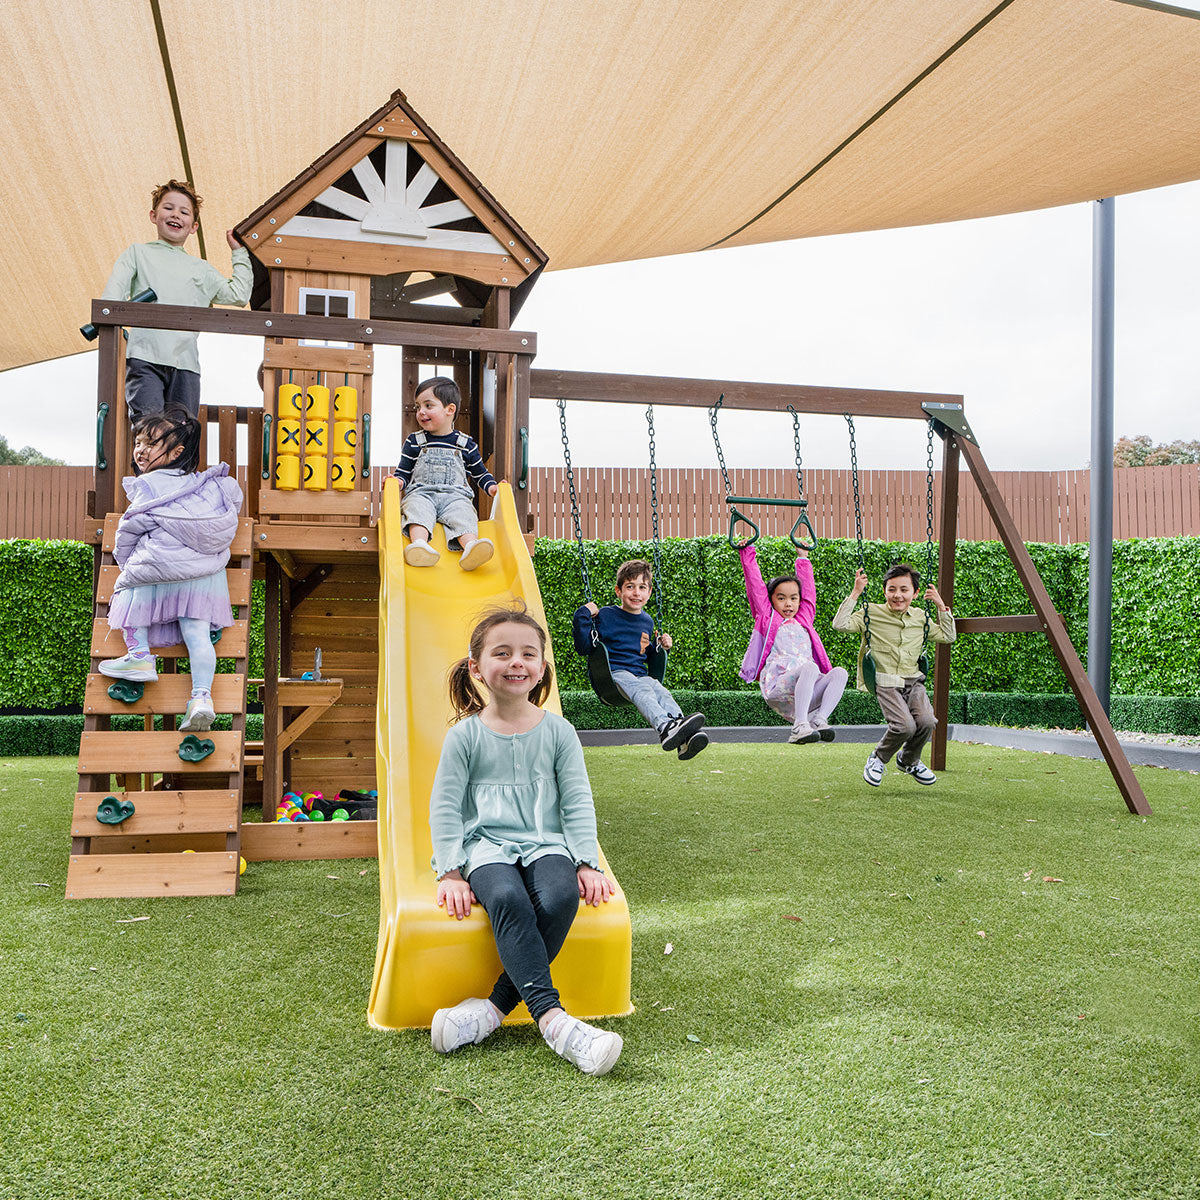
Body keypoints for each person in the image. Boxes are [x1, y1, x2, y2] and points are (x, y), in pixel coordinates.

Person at [429, 606, 623, 1076]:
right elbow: (445, 806)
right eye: (502, 653)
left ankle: (492, 1009)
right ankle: (556, 1023)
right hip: (484, 845)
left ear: (541, 667)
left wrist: (585, 861)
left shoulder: (559, 732)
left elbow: (577, 801)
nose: (516, 662)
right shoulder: (465, 737)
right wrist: (451, 870)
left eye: (527, 654)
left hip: (545, 841)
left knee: (558, 899)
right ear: (476, 667)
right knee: (508, 898)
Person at [99, 407, 242, 733]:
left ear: (177, 452)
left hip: (158, 574)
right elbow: (228, 509)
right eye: (139, 442)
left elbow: (129, 529)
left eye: (151, 444)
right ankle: (202, 698)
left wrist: (127, 563)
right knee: (198, 635)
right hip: (204, 579)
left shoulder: (146, 484)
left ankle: (139, 655)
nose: (140, 450)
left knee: (127, 593)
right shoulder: (206, 488)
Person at [102, 179, 252, 422]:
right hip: (144, 357)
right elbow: (112, 297)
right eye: (168, 208)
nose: (175, 215)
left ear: (193, 226)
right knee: (150, 428)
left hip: (185, 364)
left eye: (184, 212)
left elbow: (238, 295)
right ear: (153, 215)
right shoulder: (138, 253)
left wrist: (238, 252)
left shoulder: (201, 269)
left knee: (181, 435)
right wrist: (112, 320)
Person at [832, 563, 955, 787]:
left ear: (915, 593)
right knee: (904, 726)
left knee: (927, 721)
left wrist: (940, 606)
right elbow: (840, 625)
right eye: (891, 589)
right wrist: (856, 592)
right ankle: (877, 759)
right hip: (885, 680)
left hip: (913, 680)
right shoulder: (871, 612)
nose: (897, 595)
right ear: (885, 591)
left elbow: (947, 636)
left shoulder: (920, 617)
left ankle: (908, 760)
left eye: (904, 590)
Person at [572, 559, 708, 760]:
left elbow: (646, 653)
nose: (636, 593)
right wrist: (582, 614)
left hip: (638, 675)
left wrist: (661, 646)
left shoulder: (647, 621)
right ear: (619, 591)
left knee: (659, 690)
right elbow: (583, 647)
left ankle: (683, 734)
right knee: (643, 688)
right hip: (613, 676)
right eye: (630, 587)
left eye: (642, 587)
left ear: (649, 592)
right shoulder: (605, 615)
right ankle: (664, 727)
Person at [738, 543, 848, 744]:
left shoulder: (804, 619)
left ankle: (819, 720)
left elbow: (809, 594)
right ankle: (799, 725)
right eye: (781, 598)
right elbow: (755, 587)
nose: (788, 603)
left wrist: (803, 558)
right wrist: (746, 552)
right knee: (810, 667)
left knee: (840, 673)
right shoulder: (768, 618)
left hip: (805, 686)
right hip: (778, 684)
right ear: (771, 600)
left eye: (793, 598)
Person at [394, 377, 498, 571]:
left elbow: (480, 473)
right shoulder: (414, 441)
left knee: (464, 512)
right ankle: (419, 546)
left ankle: (471, 547)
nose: (421, 412)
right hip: (422, 493)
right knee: (416, 508)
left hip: (455, 497)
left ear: (449, 410)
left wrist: (492, 487)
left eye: (428, 405)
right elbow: (403, 472)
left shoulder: (466, 444)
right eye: (418, 407)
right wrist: (397, 482)